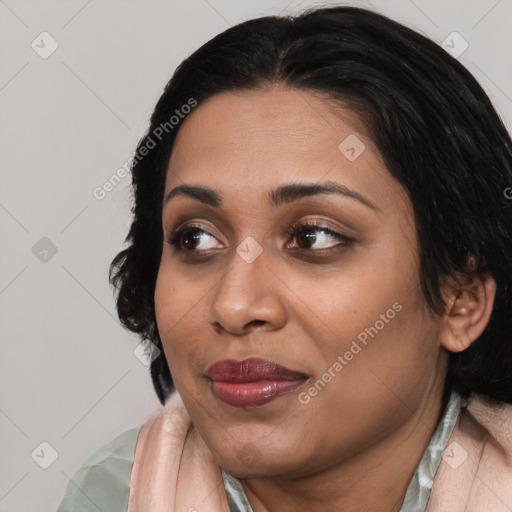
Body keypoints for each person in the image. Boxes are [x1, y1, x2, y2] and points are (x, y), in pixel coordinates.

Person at [57, 4, 512, 512]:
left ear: (462, 299)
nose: (233, 305)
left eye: (313, 237)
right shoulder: (115, 496)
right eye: (195, 239)